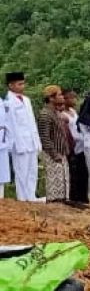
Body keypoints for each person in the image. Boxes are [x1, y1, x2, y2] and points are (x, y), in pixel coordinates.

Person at [2, 72, 42, 201]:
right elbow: (10, 124)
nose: (22, 86)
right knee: (21, 172)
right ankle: (23, 198)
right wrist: (13, 143)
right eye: (19, 84)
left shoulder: (26, 100)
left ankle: (31, 196)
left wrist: (37, 142)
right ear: (11, 85)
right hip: (18, 142)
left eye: (23, 83)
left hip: (31, 140)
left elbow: (32, 122)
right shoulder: (7, 102)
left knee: (32, 170)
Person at [37, 86, 71, 203]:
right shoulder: (45, 114)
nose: (62, 97)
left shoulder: (54, 112)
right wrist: (54, 154)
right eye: (60, 95)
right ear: (51, 98)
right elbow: (44, 137)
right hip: (53, 154)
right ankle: (54, 206)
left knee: (62, 182)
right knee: (55, 184)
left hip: (60, 152)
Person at [61, 90, 86, 202]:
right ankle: (74, 196)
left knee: (82, 171)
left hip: (81, 144)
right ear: (64, 99)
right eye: (71, 98)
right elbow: (68, 131)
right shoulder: (63, 114)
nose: (74, 100)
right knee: (73, 172)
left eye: (75, 97)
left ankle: (82, 195)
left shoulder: (73, 111)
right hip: (72, 144)